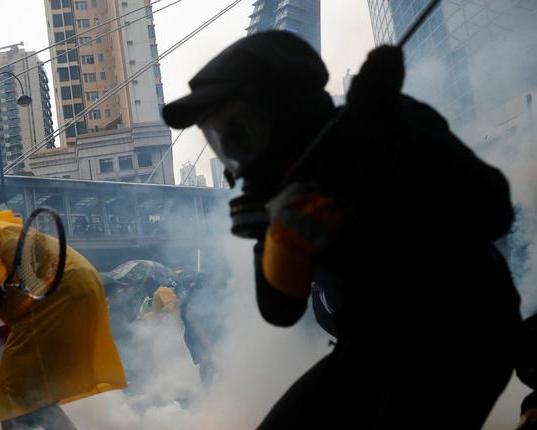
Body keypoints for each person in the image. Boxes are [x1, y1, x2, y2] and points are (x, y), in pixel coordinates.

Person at [162, 30, 521, 429]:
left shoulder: (383, 124)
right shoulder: (277, 194)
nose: (234, 152)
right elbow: (280, 309)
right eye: (221, 139)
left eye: (239, 129)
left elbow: (495, 210)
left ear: (284, 108)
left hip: (463, 331)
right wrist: (285, 240)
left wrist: (378, 149)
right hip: (373, 344)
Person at [0, 209, 127, 429]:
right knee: (31, 391)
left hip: (59, 291)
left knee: (12, 387)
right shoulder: (0, 228)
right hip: (76, 284)